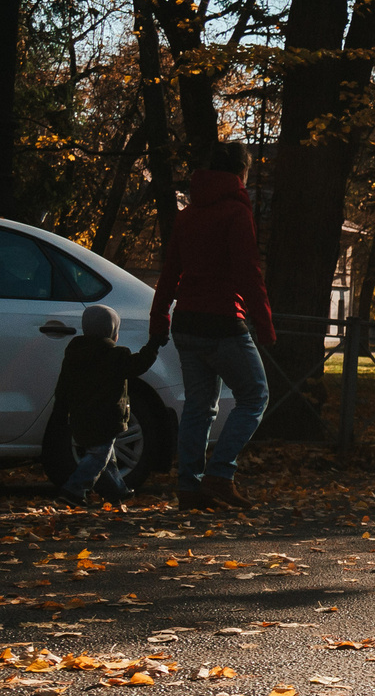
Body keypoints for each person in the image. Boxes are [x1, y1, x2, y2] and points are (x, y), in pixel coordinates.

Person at [150, 139, 275, 511]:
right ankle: (220, 474)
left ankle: (190, 486)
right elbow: (248, 271)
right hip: (222, 321)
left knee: (198, 407)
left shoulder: (187, 215)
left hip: (187, 322)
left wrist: (160, 319)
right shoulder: (236, 214)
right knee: (255, 396)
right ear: (241, 173)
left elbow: (170, 271)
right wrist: (264, 323)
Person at [53, 303, 163, 509]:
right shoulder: (115, 356)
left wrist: (61, 411)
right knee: (98, 456)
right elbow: (138, 364)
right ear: (112, 332)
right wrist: (154, 345)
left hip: (80, 416)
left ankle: (116, 490)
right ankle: (73, 490)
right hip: (106, 418)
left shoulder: (74, 354)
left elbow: (63, 386)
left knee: (105, 456)